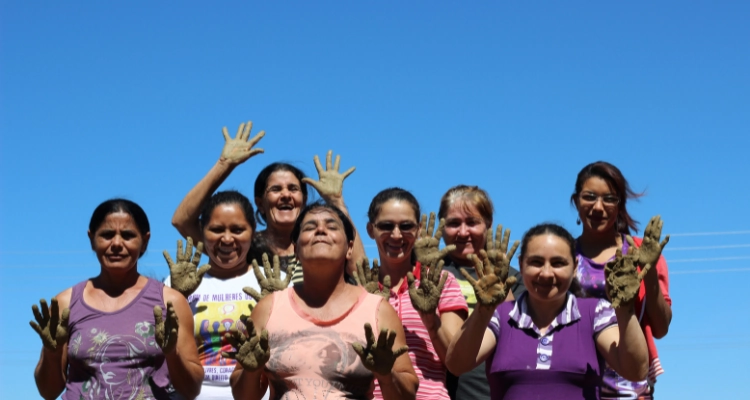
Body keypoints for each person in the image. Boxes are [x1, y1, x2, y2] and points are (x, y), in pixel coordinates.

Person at [228, 201, 419, 400]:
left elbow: (407, 395)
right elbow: (243, 396)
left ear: (349, 248)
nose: (320, 230)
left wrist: (387, 376)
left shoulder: (378, 310)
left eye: (332, 226)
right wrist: (250, 372)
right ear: (296, 250)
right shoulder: (268, 308)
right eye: (310, 227)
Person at [445, 223, 649, 400]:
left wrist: (625, 309)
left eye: (558, 263)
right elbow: (457, 364)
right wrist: (483, 309)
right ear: (520, 265)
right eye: (536, 262)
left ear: (575, 266)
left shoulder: (595, 313)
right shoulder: (500, 316)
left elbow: (635, 370)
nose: (546, 273)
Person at [30, 199, 203, 400]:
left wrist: (172, 354)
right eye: (107, 235)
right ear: (91, 239)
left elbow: (191, 390)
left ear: (145, 241)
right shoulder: (65, 304)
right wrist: (52, 353)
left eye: (128, 235)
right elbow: (48, 392)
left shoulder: (170, 302)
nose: (117, 244)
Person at [171, 121, 362, 284]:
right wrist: (224, 165)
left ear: (303, 201)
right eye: (276, 189)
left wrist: (335, 201)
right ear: (260, 203)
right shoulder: (243, 244)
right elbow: (182, 221)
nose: (285, 195)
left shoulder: (321, 242)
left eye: (293, 189)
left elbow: (360, 272)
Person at [165, 190, 285, 399]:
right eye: (217, 229)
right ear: (202, 231)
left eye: (237, 230)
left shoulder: (275, 282)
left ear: (253, 231)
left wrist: (276, 305)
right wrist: (177, 297)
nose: (227, 239)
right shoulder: (177, 285)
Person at [571, 161, 671, 399]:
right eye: (589, 197)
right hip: (575, 384)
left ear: (620, 205)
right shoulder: (562, 257)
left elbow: (661, 328)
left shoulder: (642, 251)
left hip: (631, 388)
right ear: (576, 201)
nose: (598, 207)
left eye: (609, 199)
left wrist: (648, 271)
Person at [357, 188, 468, 400]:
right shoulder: (361, 287)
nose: (396, 235)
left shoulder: (439, 282)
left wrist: (430, 319)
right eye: (386, 226)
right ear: (371, 230)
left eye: (406, 226)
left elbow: (456, 362)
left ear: (418, 230)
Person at [435, 185, 525, 400]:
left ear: (488, 224)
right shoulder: (427, 273)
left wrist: (500, 286)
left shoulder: (514, 279)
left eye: (472, 223)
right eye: (453, 223)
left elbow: (519, 338)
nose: (463, 232)